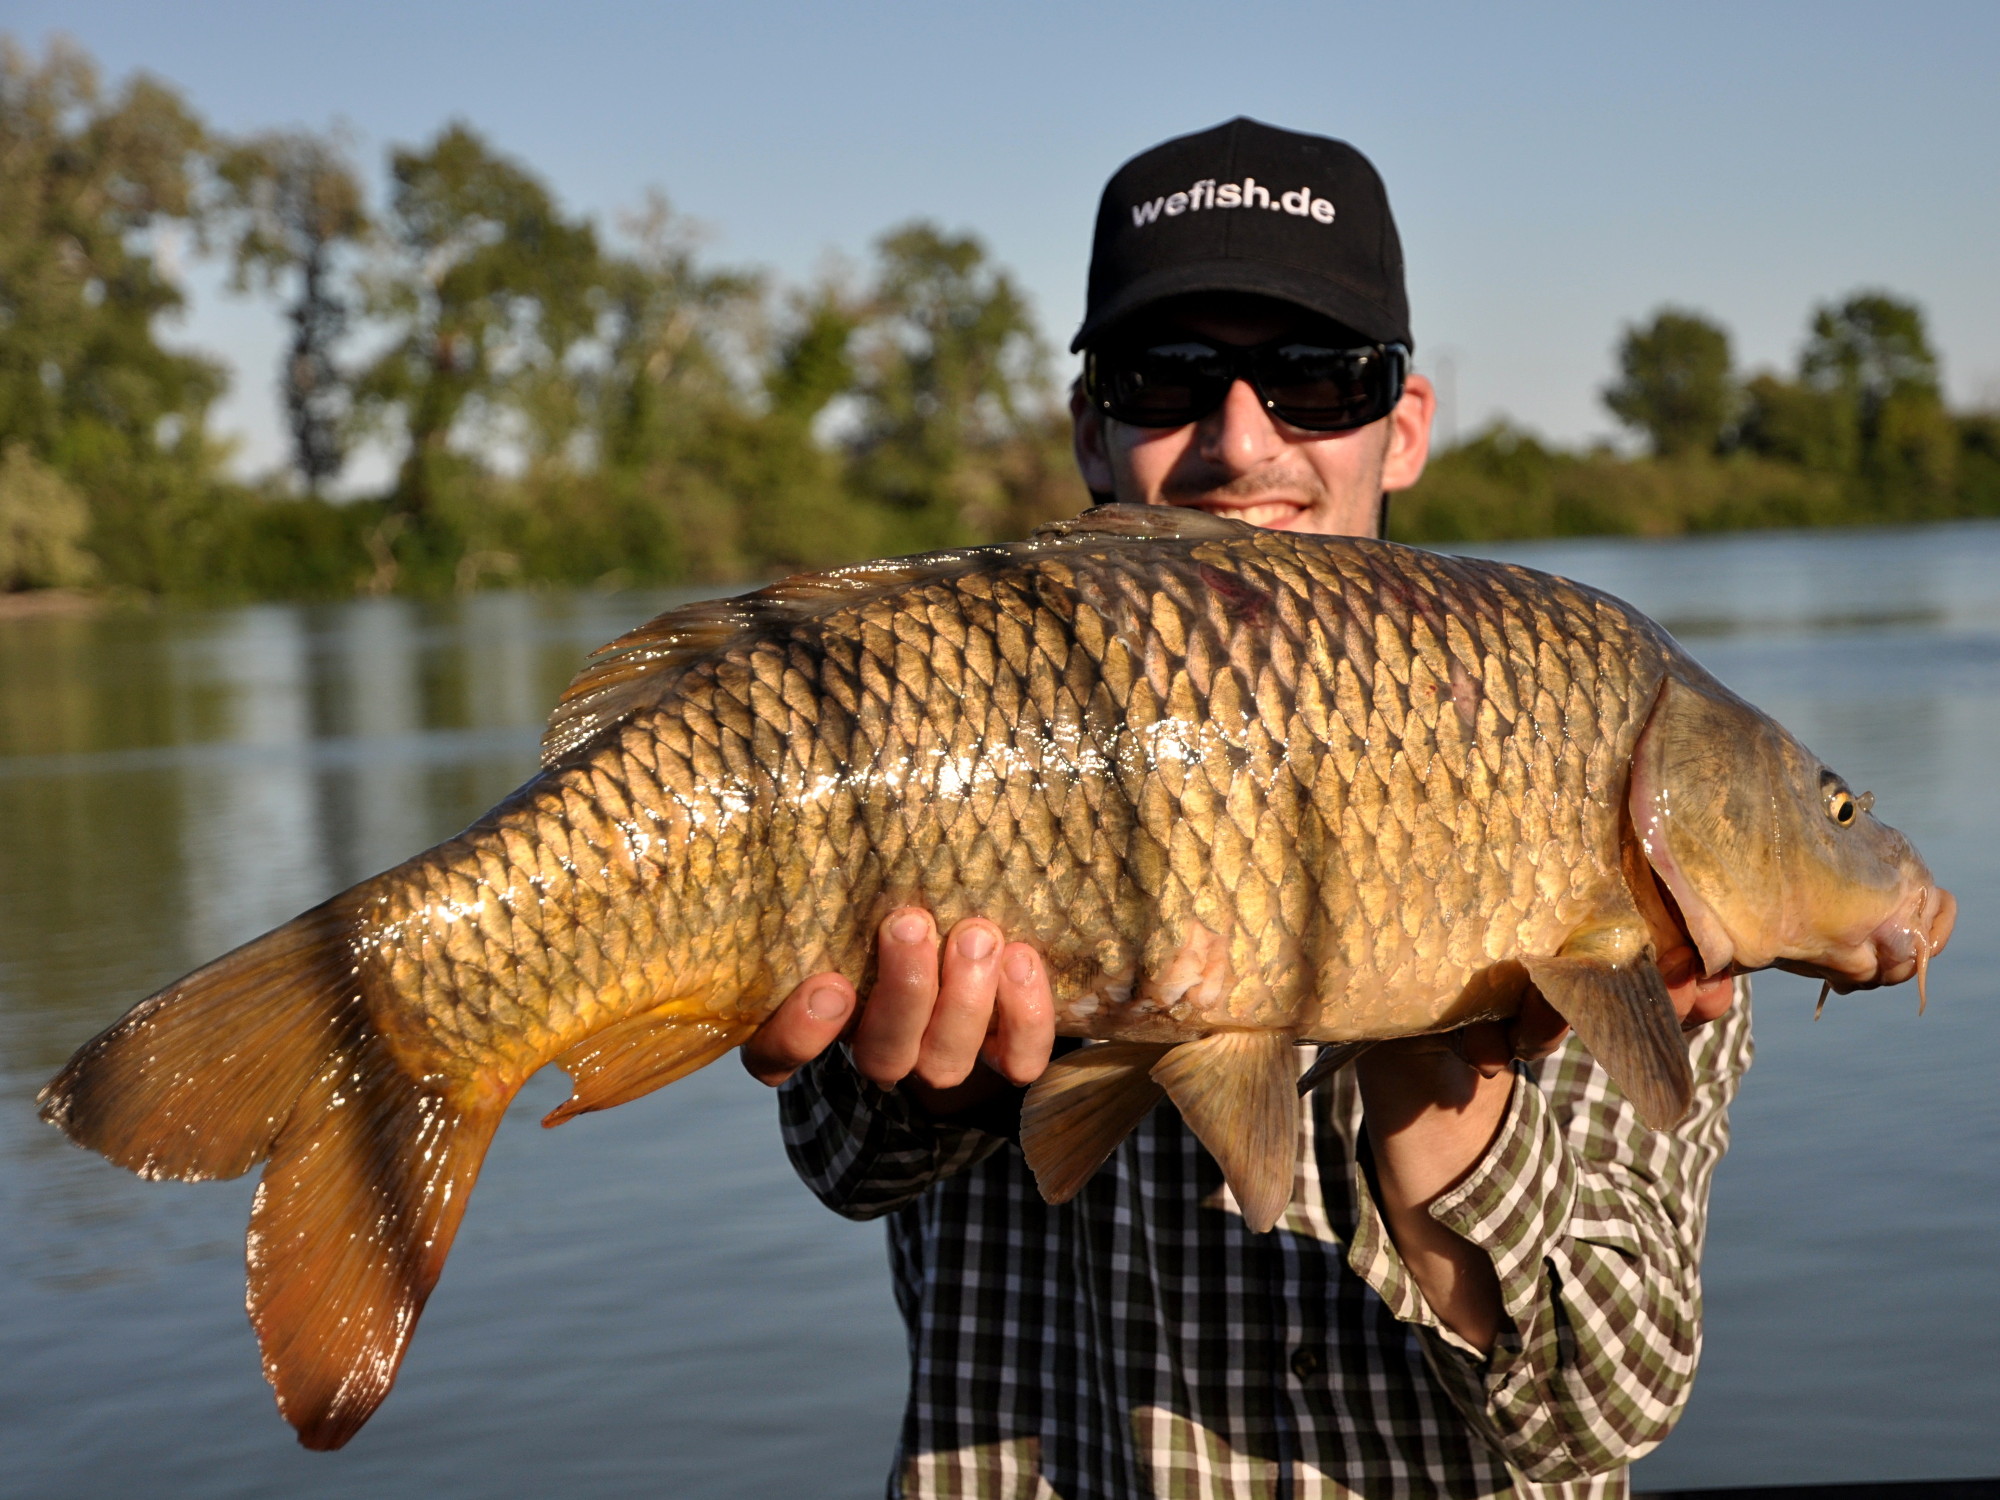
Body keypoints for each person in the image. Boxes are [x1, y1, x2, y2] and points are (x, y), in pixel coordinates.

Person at [741, 118, 1750, 1499]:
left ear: (1402, 429)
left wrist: (1444, 1082)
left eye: (1317, 380)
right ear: (1091, 426)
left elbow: (1598, 1412)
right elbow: (843, 1156)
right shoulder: (958, 689)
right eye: (1168, 377)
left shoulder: (1579, 744)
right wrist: (944, 1077)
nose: (1238, 439)